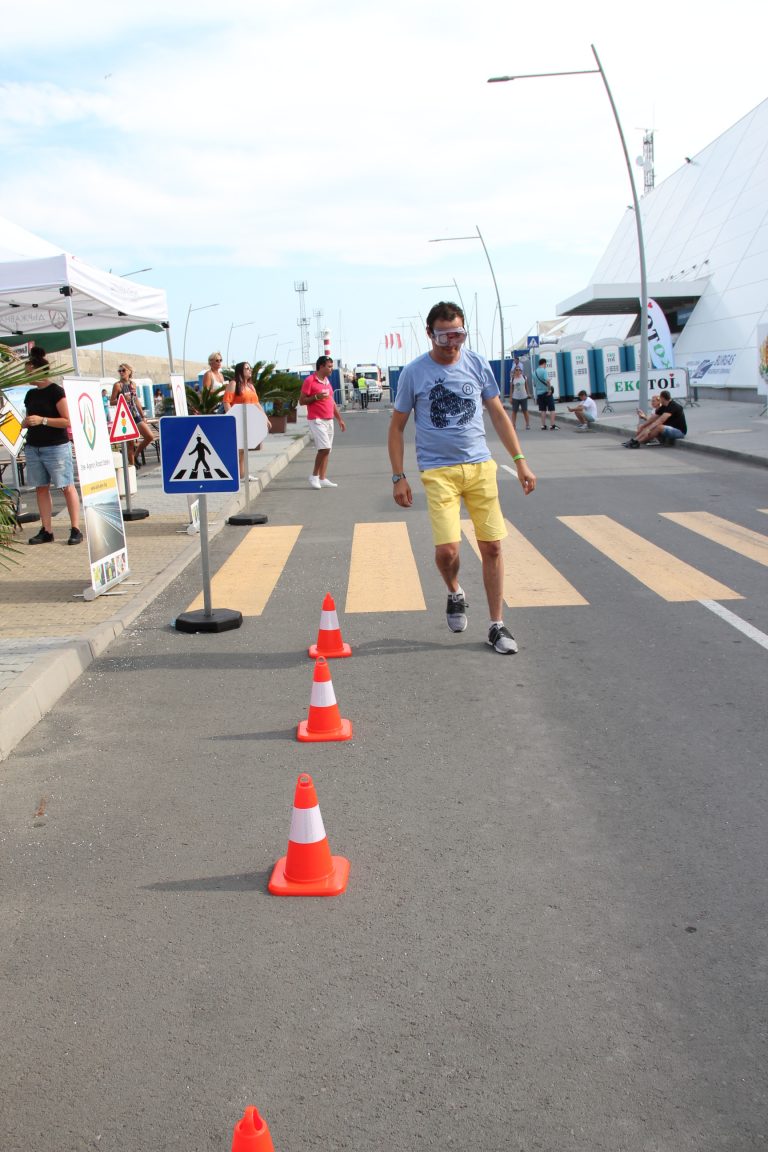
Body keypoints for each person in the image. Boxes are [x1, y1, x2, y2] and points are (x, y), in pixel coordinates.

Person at [388, 301, 536, 655]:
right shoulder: (414, 373)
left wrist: (519, 461)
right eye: (444, 336)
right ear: (429, 334)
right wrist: (398, 476)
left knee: (493, 546)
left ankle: (496, 625)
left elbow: (498, 414)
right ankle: (455, 590)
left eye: (458, 334)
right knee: (447, 550)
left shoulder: (477, 364)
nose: (452, 343)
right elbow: (396, 427)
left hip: (481, 467)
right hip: (438, 472)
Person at [21, 347, 83, 545]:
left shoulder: (56, 392)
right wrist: (26, 422)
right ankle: (46, 529)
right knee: (41, 487)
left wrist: (43, 420)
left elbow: (68, 420)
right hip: (34, 446)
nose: (24, 375)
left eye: (27, 371)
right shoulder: (30, 394)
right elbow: (30, 417)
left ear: (38, 371)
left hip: (55, 447)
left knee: (66, 486)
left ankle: (75, 528)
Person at [300, 355, 346, 488]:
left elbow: (331, 402)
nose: (331, 369)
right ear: (321, 366)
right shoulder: (310, 381)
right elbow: (302, 401)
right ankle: (314, 476)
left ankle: (322, 478)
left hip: (329, 419)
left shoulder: (327, 381)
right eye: (329, 366)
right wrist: (315, 397)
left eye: (332, 366)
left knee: (327, 449)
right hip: (316, 419)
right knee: (324, 448)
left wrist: (340, 419)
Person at [223, 361, 272, 481]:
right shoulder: (234, 384)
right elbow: (226, 401)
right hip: (237, 420)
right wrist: (231, 417)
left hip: (249, 421)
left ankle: (243, 474)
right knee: (239, 449)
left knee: (244, 449)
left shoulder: (250, 386)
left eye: (250, 368)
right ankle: (238, 474)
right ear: (240, 371)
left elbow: (256, 403)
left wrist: (265, 418)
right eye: (247, 368)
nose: (250, 370)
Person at [110, 363, 155, 467]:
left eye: (123, 370)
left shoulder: (133, 384)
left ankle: (136, 454)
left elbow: (136, 400)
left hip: (134, 413)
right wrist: (122, 400)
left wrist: (143, 415)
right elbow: (111, 402)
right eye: (119, 371)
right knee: (129, 444)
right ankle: (132, 467)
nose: (121, 372)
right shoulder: (118, 385)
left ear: (129, 372)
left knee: (149, 436)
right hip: (125, 416)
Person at [533, 357, 557, 430]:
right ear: (544, 363)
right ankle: (552, 425)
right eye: (545, 364)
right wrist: (549, 390)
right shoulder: (544, 371)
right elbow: (547, 381)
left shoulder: (534, 372)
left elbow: (534, 384)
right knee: (552, 409)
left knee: (543, 410)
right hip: (546, 393)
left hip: (539, 394)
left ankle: (543, 425)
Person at [509, 360, 532, 431]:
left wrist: (528, 393)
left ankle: (527, 424)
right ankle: (513, 425)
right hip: (515, 397)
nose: (518, 371)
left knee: (525, 411)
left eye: (519, 370)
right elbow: (511, 389)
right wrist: (510, 398)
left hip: (523, 397)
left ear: (521, 371)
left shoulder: (524, 377)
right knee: (514, 411)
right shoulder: (512, 379)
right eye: (516, 370)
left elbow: (526, 386)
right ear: (514, 371)